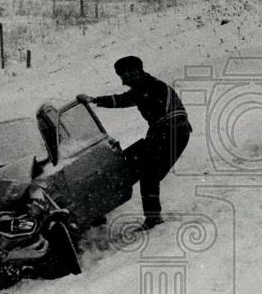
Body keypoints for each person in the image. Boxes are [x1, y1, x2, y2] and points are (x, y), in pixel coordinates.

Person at [80, 56, 191, 230]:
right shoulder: (144, 86)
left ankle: (153, 219)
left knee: (148, 175)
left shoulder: (151, 87)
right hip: (163, 134)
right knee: (124, 165)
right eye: (121, 75)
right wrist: (95, 100)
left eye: (126, 74)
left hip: (173, 135)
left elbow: (123, 100)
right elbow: (124, 100)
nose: (124, 78)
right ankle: (99, 212)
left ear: (136, 72)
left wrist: (95, 100)